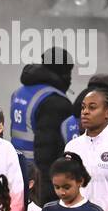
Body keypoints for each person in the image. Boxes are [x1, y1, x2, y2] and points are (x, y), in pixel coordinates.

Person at [8, 51, 74, 202]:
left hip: (16, 170)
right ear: (62, 71)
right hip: (38, 181)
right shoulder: (55, 101)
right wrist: (50, 191)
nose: (70, 78)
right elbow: (47, 152)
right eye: (68, 72)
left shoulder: (20, 92)